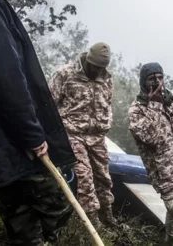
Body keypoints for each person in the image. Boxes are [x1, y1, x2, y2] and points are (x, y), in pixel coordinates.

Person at [0, 0, 77, 245]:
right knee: (55, 208)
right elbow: (2, 73)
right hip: (14, 139)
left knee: (19, 218)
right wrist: (30, 133)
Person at [128, 62, 173, 246]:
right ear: (143, 82)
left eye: (160, 78)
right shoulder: (138, 110)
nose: (158, 83)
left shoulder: (172, 104)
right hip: (164, 177)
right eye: (152, 79)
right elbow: (149, 137)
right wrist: (154, 106)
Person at [48, 42, 117, 228]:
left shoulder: (106, 78)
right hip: (72, 134)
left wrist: (106, 122)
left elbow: (108, 103)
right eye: (95, 66)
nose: (98, 71)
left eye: (102, 68)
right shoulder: (66, 74)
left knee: (103, 177)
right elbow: (49, 104)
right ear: (88, 60)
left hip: (97, 137)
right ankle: (92, 222)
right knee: (84, 177)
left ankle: (107, 215)